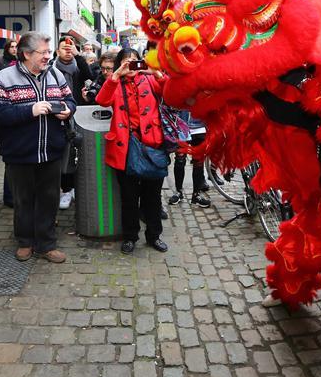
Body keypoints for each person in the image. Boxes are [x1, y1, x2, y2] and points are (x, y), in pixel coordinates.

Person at [0, 31, 74, 264]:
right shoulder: (4, 77)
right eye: (43, 52)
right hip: (20, 152)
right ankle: (25, 241)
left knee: (49, 199)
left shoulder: (55, 74)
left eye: (49, 51)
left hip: (51, 150)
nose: (48, 56)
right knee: (23, 199)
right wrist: (30, 110)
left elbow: (70, 99)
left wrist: (68, 110)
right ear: (26, 54)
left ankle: (46, 243)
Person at [96, 48, 169, 255]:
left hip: (152, 147)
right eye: (126, 62)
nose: (131, 66)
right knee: (129, 197)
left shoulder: (149, 80)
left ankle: (154, 235)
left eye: (135, 61)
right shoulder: (115, 83)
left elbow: (171, 94)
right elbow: (102, 101)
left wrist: (156, 73)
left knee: (152, 197)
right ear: (119, 64)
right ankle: (130, 236)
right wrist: (116, 75)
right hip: (124, 149)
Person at [52, 36, 93, 209]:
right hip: (59, 116)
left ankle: (76, 187)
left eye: (71, 48)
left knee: (79, 152)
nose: (68, 50)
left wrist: (79, 56)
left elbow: (89, 76)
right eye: (64, 48)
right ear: (57, 51)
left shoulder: (78, 67)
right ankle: (66, 189)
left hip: (79, 115)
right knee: (64, 155)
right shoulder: (51, 69)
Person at [169, 112, 211, 209]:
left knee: (199, 162)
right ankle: (178, 192)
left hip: (200, 127)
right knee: (180, 159)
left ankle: (196, 194)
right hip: (181, 125)